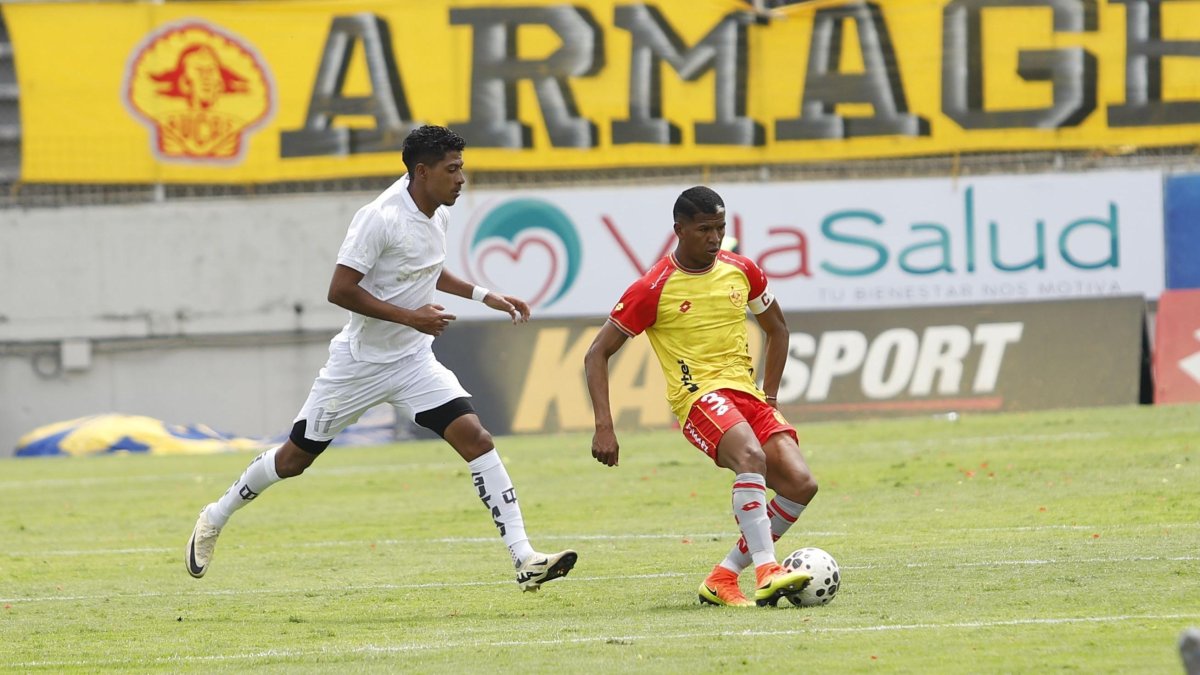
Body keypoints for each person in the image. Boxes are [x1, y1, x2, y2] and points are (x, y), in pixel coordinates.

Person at [185, 125, 576, 592]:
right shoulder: (379, 217)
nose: (461, 179)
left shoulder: (437, 213)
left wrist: (483, 294)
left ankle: (524, 558)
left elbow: (426, 268)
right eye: (452, 170)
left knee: (476, 438)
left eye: (462, 168)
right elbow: (340, 290)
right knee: (293, 461)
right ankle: (215, 515)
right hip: (359, 366)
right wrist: (411, 317)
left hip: (412, 362)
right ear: (421, 171)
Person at [583, 185, 817, 607]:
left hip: (747, 395)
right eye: (705, 229)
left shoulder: (742, 270)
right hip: (698, 399)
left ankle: (723, 577)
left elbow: (778, 329)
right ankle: (768, 569)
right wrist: (605, 426)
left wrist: (772, 396)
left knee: (801, 484)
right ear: (680, 230)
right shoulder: (653, 287)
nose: (714, 238)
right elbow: (596, 353)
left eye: (720, 228)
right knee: (751, 458)